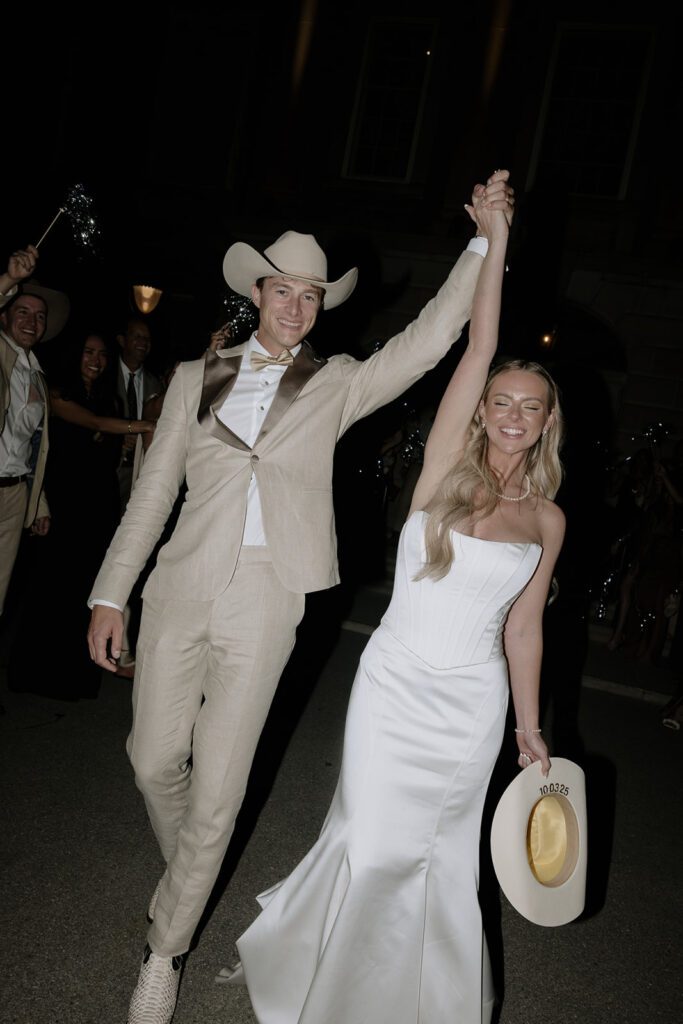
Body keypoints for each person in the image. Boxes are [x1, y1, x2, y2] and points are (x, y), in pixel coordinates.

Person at [86, 168, 515, 1024]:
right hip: (178, 591)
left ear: (321, 306)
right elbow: (151, 497)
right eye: (283, 290)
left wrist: (479, 242)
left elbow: (432, 339)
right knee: (151, 762)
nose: (296, 306)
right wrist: (109, 594)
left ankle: (163, 951)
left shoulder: (336, 382)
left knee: (219, 793)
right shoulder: (191, 376)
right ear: (257, 292)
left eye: (312, 295)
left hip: (269, 598)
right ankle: (195, 877)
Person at [220, 195, 565, 1023]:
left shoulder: (547, 519)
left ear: (547, 422)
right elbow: (477, 343)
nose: (513, 416)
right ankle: (324, 976)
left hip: (472, 704)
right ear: (480, 409)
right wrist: (494, 238)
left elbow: (523, 627)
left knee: (438, 855)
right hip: (395, 683)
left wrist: (527, 727)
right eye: (501, 401)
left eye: (530, 406)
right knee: (371, 840)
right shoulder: (444, 468)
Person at [8, 332, 154, 698]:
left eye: (102, 354)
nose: (96, 360)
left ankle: (77, 677)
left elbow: (108, 443)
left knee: (87, 588)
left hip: (98, 504)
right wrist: (143, 426)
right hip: (65, 503)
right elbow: (95, 424)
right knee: (52, 587)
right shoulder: (57, 394)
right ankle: (34, 674)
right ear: (75, 355)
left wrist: (124, 440)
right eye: (88, 352)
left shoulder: (108, 399)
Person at [0, 245, 68, 615]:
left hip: (14, 497)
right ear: (5, 316)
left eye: (39, 316)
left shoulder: (38, 375)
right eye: (22, 312)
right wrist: (9, 279)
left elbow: (32, 444)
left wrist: (37, 501)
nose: (32, 321)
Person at [115, 315, 161, 511]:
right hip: (108, 468)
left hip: (140, 470)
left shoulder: (155, 384)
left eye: (147, 339)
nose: (143, 342)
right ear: (122, 340)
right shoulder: (105, 375)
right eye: (137, 336)